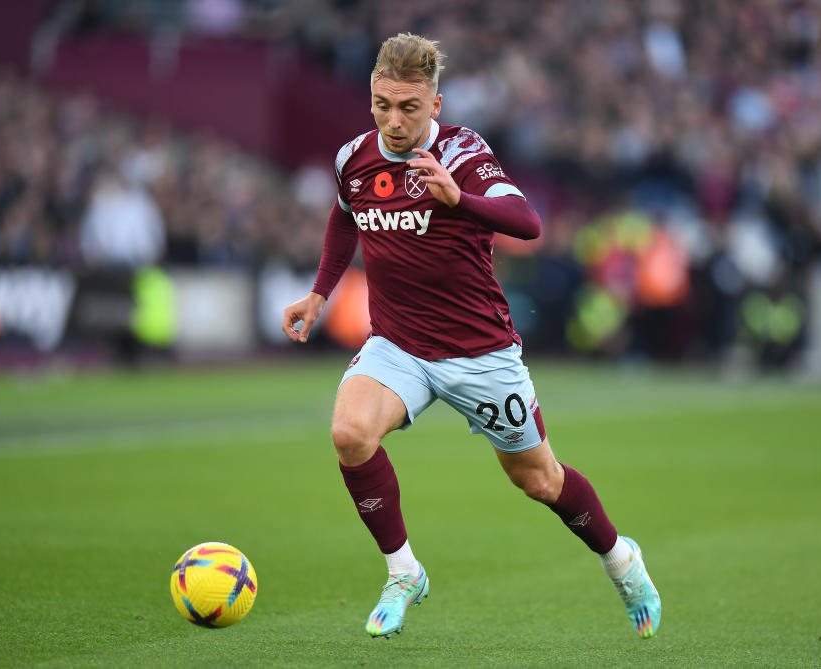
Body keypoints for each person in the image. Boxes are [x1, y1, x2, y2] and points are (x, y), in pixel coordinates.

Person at [282, 33, 661, 639]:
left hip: (480, 352)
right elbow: (344, 213)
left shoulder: (463, 154)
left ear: (436, 103)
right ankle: (403, 571)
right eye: (383, 104)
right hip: (399, 345)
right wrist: (320, 293)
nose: (394, 119)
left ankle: (621, 560)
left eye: (409, 106)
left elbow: (527, 222)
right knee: (349, 433)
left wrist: (461, 199)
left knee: (539, 479)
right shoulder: (354, 158)